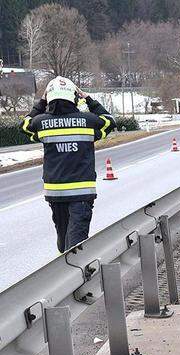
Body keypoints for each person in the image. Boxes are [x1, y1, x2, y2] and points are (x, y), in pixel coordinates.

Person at [21, 76, 115, 253]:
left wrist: (41, 102)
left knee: (64, 241)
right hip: (82, 193)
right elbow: (109, 120)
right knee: (76, 246)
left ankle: (66, 275)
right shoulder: (87, 121)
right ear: (74, 97)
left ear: (50, 98)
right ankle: (74, 278)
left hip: (55, 193)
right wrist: (88, 98)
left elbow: (25, 125)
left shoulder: (42, 123)